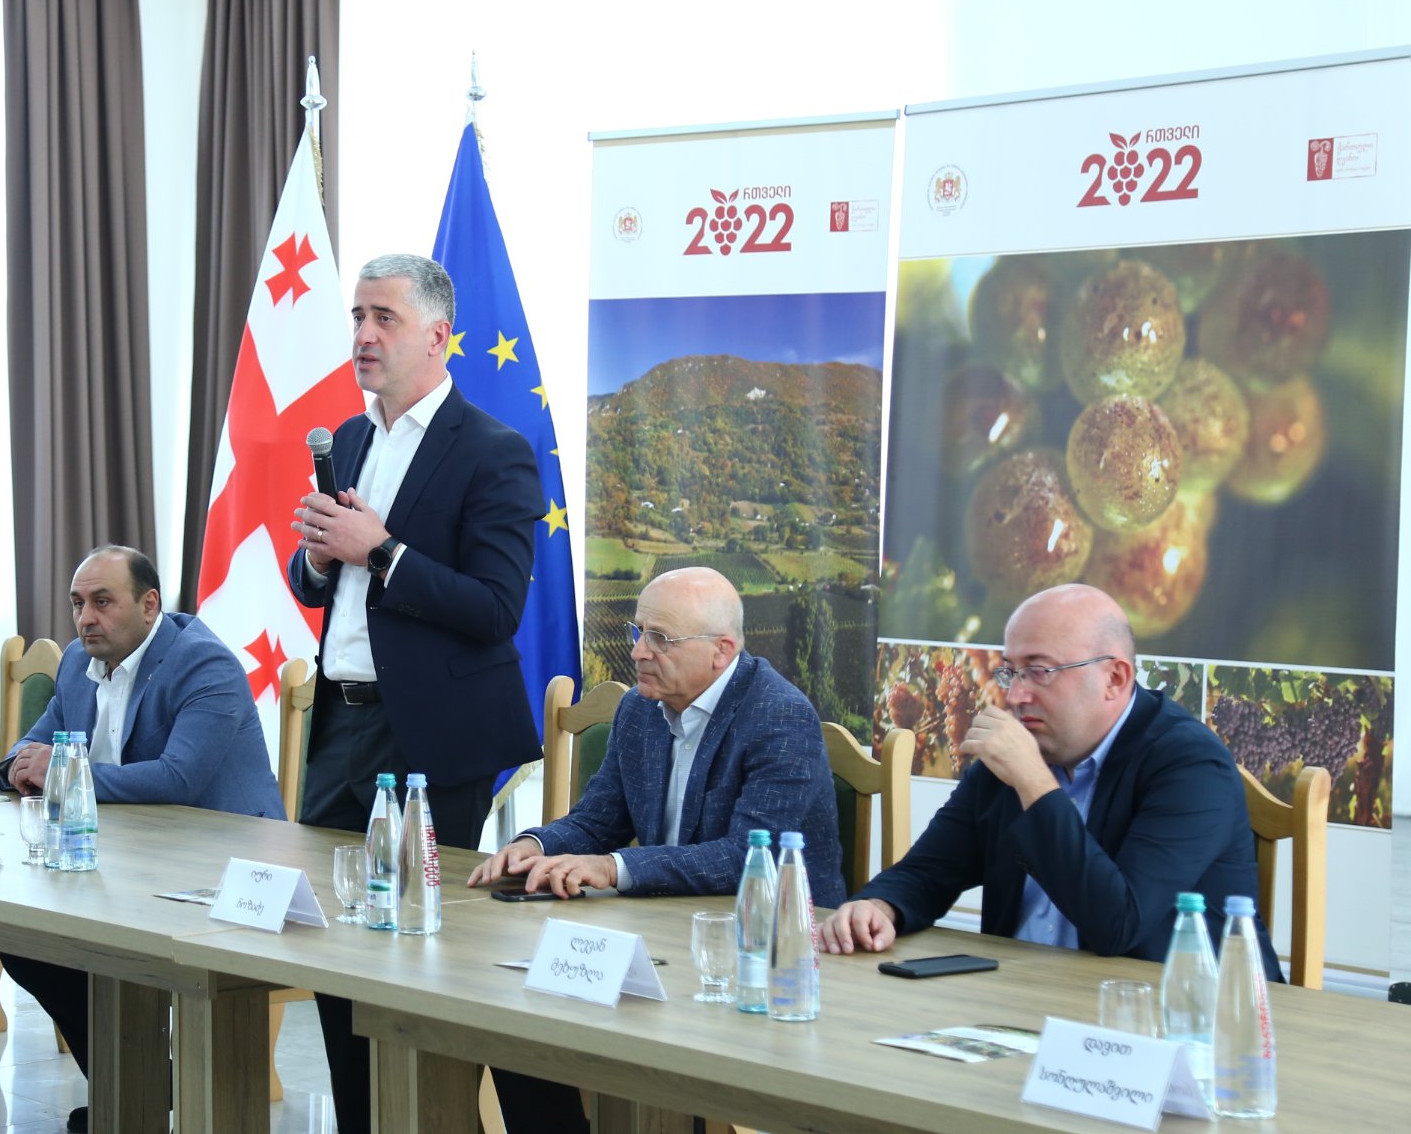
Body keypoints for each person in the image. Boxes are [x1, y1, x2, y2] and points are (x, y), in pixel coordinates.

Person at [285, 252, 543, 1134]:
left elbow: (496, 608)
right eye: (357, 315)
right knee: (332, 947)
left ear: (438, 335)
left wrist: (382, 550)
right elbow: (325, 583)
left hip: (432, 737)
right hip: (340, 724)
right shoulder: (348, 440)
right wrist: (320, 560)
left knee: (423, 960)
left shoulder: (494, 452)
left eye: (383, 318)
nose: (362, 333)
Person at [466, 566, 844, 1134]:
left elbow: (746, 860)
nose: (639, 651)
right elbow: (599, 819)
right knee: (514, 1020)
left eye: (660, 638)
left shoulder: (779, 715)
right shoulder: (640, 709)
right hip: (664, 935)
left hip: (763, 955)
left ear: (722, 651)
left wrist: (612, 867)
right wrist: (533, 844)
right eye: (637, 632)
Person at [816, 582, 1282, 982]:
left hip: (1175, 1021)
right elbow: (928, 871)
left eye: (1039, 672)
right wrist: (880, 906)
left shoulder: (1191, 765)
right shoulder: (1022, 753)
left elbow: (1118, 924)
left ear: (1115, 678)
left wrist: (1034, 781)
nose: (1017, 695)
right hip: (1024, 999)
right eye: (1011, 672)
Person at [0, 545, 282, 1133]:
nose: (86, 618)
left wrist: (61, 770)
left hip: (224, 867)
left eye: (103, 602)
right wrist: (18, 766)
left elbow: (178, 779)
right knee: (23, 938)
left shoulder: (204, 664)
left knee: (100, 937)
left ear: (150, 605)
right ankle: (133, 1086)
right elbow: (29, 746)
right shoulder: (76, 664)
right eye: (78, 603)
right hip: (129, 860)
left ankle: (140, 1089)